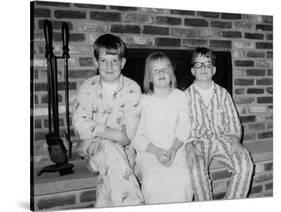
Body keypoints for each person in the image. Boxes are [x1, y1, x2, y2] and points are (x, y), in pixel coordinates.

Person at [72, 33, 144, 207]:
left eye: (114, 60)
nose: (109, 66)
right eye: (103, 61)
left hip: (125, 152)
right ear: (96, 63)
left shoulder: (133, 89)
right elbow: (79, 124)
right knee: (111, 152)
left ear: (123, 62)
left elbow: (127, 137)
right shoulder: (87, 87)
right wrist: (110, 132)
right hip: (94, 148)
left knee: (110, 181)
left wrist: (94, 133)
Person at [184, 47, 254, 201]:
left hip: (223, 138)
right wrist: (188, 147)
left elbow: (233, 120)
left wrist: (235, 141)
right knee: (196, 170)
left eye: (208, 65)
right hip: (198, 142)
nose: (203, 68)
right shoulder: (185, 96)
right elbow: (182, 125)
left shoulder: (223, 94)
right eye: (198, 65)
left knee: (245, 164)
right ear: (192, 70)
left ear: (214, 70)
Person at [132, 52, 193, 204]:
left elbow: (184, 127)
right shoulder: (143, 101)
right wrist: (157, 152)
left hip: (176, 150)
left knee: (183, 181)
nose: (161, 73)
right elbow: (136, 136)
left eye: (165, 69)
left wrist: (173, 149)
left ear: (171, 74)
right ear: (149, 77)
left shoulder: (180, 97)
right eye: (155, 70)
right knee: (152, 183)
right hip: (150, 153)